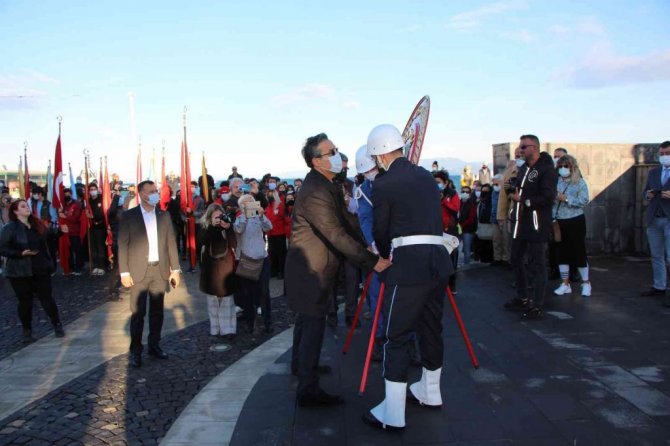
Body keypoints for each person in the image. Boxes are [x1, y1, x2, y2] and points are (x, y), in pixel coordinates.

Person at [286, 133, 388, 408]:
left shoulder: (326, 184)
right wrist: (372, 260)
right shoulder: (315, 191)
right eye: (330, 152)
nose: (336, 156)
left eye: (336, 150)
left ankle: (301, 366)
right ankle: (308, 390)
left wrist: (368, 244)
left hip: (315, 269)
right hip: (310, 272)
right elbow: (336, 234)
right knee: (313, 326)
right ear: (316, 161)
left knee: (306, 323)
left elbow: (347, 223)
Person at [362, 124, 453, 431]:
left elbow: (381, 229)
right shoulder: (425, 175)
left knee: (396, 335)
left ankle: (393, 411)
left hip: (408, 265)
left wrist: (383, 254)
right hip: (437, 262)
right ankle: (430, 391)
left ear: (379, 154)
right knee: (431, 328)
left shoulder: (384, 183)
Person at [118, 180, 181, 368]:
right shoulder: (129, 216)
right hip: (138, 271)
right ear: (142, 194)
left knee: (157, 312)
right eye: (151, 191)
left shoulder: (164, 215)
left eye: (156, 190)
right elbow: (122, 245)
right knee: (138, 313)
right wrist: (124, 272)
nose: (155, 194)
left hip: (159, 270)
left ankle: (154, 345)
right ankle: (136, 351)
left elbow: (171, 243)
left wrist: (175, 270)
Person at [504, 135, 558, 319]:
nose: (520, 150)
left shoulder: (546, 170)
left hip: (536, 224)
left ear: (534, 147)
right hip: (520, 223)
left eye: (523, 146)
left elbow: (548, 197)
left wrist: (524, 200)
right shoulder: (524, 169)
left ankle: (537, 304)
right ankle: (523, 296)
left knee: (538, 264)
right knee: (516, 259)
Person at [0, 199, 65, 342]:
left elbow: (49, 236)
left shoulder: (37, 224)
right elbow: (3, 248)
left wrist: (60, 231)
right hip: (20, 272)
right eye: (23, 206)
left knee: (47, 298)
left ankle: (57, 324)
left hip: (40, 268)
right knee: (25, 302)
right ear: (16, 211)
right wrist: (20, 253)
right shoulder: (9, 228)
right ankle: (27, 330)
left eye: (27, 206)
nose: (27, 208)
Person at [355, 145, 385, 357]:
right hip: (377, 253)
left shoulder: (395, 182)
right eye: (365, 172)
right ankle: (379, 338)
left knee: (403, 299)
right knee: (376, 297)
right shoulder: (363, 191)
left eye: (371, 169)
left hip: (400, 249)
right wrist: (374, 245)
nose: (369, 174)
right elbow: (365, 220)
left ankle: (409, 341)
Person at [552, 155, 592, 297]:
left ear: (572, 167)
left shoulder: (579, 182)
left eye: (566, 166)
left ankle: (586, 283)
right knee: (562, 253)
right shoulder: (555, 181)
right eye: (560, 166)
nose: (563, 169)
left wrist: (567, 199)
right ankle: (565, 284)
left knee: (579, 251)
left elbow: (584, 200)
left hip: (575, 220)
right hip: (559, 221)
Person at [233, 194, 273, 334]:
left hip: (262, 258)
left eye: (251, 202)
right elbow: (238, 229)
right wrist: (245, 215)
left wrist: (261, 216)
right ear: (241, 206)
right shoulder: (239, 218)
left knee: (264, 292)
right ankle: (251, 322)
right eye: (246, 203)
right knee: (248, 293)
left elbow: (269, 227)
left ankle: (267, 322)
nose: (249, 204)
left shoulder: (258, 217)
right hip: (246, 260)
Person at [199, 203, 237, 339]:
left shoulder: (226, 227)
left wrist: (228, 228)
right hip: (210, 270)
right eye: (215, 217)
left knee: (227, 301)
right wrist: (213, 227)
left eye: (220, 216)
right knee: (212, 301)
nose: (218, 219)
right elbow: (203, 241)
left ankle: (228, 329)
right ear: (209, 218)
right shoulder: (205, 228)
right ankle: (215, 329)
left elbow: (234, 244)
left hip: (225, 269)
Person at [641, 141, 670, 305]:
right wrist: (648, 195)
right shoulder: (654, 172)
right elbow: (645, 191)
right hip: (654, 219)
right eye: (662, 154)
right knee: (656, 255)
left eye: (668, 153)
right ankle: (659, 286)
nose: (665, 156)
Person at [434, 170, 460, 290]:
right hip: (436, 230)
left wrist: (444, 201)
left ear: (445, 183)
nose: (436, 184)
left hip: (450, 230)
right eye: (434, 182)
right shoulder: (431, 193)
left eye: (438, 182)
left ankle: (451, 285)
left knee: (451, 259)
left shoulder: (452, 194)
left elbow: (455, 209)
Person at [264, 178, 287, 279]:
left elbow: (282, 216)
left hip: (279, 232)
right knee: (272, 253)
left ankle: (282, 271)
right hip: (271, 233)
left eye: (271, 194)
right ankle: (274, 270)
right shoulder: (267, 206)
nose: (269, 196)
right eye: (268, 194)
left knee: (281, 253)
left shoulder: (280, 204)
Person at [59, 188, 83, 275]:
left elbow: (76, 218)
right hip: (66, 232)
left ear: (71, 194)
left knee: (77, 250)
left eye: (68, 194)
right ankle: (71, 268)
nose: (66, 196)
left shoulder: (76, 204)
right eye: (65, 194)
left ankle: (79, 268)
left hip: (75, 231)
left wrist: (66, 216)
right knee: (68, 251)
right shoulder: (63, 205)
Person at [86, 182, 107, 275]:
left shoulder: (101, 199)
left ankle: (102, 266)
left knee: (100, 247)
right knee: (93, 248)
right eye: (91, 190)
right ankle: (95, 266)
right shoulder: (88, 201)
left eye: (94, 189)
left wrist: (92, 216)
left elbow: (102, 213)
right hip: (91, 227)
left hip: (100, 226)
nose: (93, 191)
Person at [474, 183, 494, 263]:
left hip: (491, 233)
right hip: (481, 233)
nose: (484, 193)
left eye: (487, 191)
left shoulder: (493, 202)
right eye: (483, 191)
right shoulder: (479, 203)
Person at [458, 186, 477, 264]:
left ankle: (466, 265)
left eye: (467, 192)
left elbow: (471, 218)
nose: (465, 193)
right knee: (454, 247)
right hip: (457, 229)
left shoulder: (472, 204)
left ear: (470, 193)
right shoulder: (458, 202)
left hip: (468, 230)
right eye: (463, 192)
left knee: (467, 249)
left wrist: (461, 225)